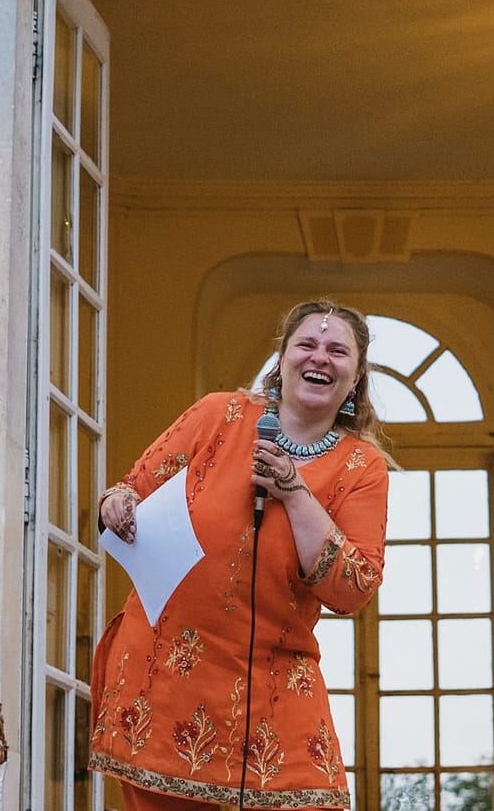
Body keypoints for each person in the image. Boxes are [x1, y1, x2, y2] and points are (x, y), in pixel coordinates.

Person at [89, 299, 391, 810]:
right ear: (284, 358)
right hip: (167, 673)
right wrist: (117, 504)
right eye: (308, 345)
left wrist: (295, 492)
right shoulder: (218, 414)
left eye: (338, 351)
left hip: (277, 678)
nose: (320, 357)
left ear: (355, 376)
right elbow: (128, 492)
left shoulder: (362, 466)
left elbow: (352, 588)